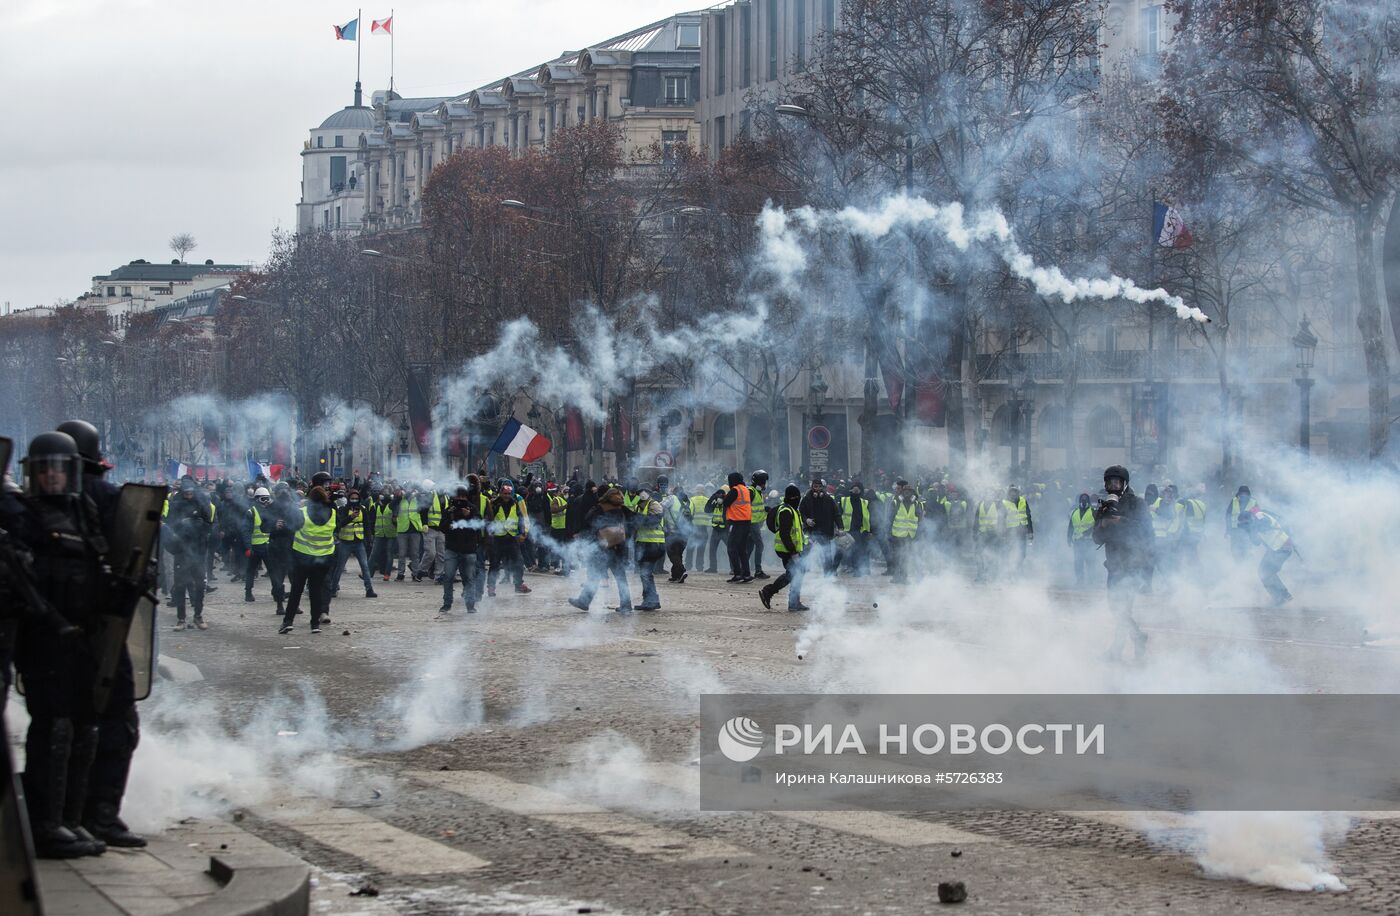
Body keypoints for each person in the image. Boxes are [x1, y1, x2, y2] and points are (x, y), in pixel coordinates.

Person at [11, 432, 109, 857]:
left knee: (84, 726)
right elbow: (19, 581)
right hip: (44, 638)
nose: (52, 475)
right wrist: (51, 622)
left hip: (83, 636)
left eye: (59, 467)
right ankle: (45, 824)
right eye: (44, 467)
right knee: (53, 729)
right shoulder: (22, 516)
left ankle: (72, 817)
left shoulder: (82, 510)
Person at [54, 420, 148, 849]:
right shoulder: (108, 499)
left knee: (58, 725)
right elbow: (137, 564)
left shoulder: (28, 505)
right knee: (115, 721)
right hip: (101, 631)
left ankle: (60, 814)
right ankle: (100, 813)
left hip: (47, 636)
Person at [1092, 465, 1153, 663]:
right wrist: (1103, 523)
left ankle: (1123, 647)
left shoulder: (1137, 504)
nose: (1113, 486)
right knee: (1116, 608)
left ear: (1125, 483)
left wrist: (1120, 521)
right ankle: (1131, 642)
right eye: (1110, 482)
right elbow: (1096, 538)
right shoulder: (1104, 507)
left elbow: (1146, 531)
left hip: (1134, 563)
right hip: (1114, 565)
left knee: (1122, 607)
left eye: (1117, 482)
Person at [278, 485, 338, 635]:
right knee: (316, 591)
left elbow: (291, 528)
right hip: (323, 558)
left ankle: (288, 622)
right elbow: (338, 529)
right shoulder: (333, 513)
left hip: (302, 558)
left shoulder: (302, 513)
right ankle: (314, 624)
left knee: (296, 590)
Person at [569, 486, 634, 614]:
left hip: (602, 548)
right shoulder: (622, 508)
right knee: (621, 577)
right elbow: (634, 519)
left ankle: (584, 601)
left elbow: (588, 521)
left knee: (594, 575)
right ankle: (626, 605)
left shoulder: (600, 508)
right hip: (618, 547)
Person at [164, 477, 213, 631]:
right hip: (182, 550)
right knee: (180, 585)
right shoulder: (175, 503)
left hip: (198, 550)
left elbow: (209, 525)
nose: (189, 495)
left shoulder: (202, 503)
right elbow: (170, 526)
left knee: (200, 585)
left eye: (191, 493)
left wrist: (198, 524)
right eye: (186, 493)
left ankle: (198, 615)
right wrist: (181, 525)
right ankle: (181, 619)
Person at [759, 485, 809, 612]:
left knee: (795, 573)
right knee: (795, 573)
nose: (797, 499)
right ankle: (769, 592)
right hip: (786, 549)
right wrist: (793, 552)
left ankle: (792, 602)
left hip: (791, 549)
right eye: (795, 497)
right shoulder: (786, 511)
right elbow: (784, 534)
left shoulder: (792, 509)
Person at [1237, 506, 1295, 606]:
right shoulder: (1253, 523)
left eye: (1246, 522)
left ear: (1250, 517)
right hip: (1275, 549)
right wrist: (1249, 530)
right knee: (1262, 572)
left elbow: (1266, 523)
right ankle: (1280, 597)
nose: (1246, 524)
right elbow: (1256, 542)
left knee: (1267, 572)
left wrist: (1253, 526)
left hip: (1283, 547)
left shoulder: (1260, 515)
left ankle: (1283, 596)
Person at [436, 486, 480, 616]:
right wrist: (450, 519)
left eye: (463, 497)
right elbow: (442, 526)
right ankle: (447, 604)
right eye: (458, 496)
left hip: (469, 549)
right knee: (448, 576)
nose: (460, 500)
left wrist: (469, 516)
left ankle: (470, 605)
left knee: (469, 578)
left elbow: (479, 526)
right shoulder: (450, 509)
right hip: (452, 549)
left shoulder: (473, 509)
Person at [487, 482, 531, 596]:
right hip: (497, 539)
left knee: (519, 562)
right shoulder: (494, 504)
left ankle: (518, 584)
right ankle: (491, 587)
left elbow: (521, 519)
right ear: (500, 493)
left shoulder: (515, 504)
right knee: (495, 564)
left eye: (508, 493)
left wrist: (522, 533)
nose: (506, 496)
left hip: (512, 538)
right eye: (504, 493)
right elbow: (488, 520)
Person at [332, 488, 377, 598]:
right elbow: (340, 524)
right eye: (352, 498)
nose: (354, 500)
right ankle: (333, 589)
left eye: (356, 498)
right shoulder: (343, 509)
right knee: (339, 567)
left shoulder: (363, 509)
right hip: (345, 542)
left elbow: (366, 525)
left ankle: (369, 589)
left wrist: (369, 539)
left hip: (359, 542)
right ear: (348, 499)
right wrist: (350, 517)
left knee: (365, 567)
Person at [633, 489, 666, 611]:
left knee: (646, 574)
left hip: (654, 545)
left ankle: (651, 600)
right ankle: (649, 600)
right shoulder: (638, 507)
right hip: (644, 545)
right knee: (645, 574)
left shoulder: (655, 505)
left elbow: (652, 522)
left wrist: (636, 518)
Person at [799, 478, 837, 575]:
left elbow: (836, 513)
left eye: (820, 487)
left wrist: (840, 527)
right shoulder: (806, 498)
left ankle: (828, 573)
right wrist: (806, 520)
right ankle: (801, 571)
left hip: (824, 530)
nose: (818, 489)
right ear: (812, 487)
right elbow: (801, 512)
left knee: (827, 553)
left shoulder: (828, 499)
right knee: (806, 551)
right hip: (810, 530)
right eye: (815, 487)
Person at [889, 479, 922, 584]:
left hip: (907, 534)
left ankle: (902, 577)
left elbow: (919, 517)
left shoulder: (912, 501)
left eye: (899, 488)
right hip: (900, 533)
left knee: (903, 556)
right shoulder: (898, 500)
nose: (897, 490)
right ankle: (899, 577)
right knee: (899, 556)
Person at [722, 472, 753, 583]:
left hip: (737, 523)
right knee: (742, 550)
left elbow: (725, 503)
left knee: (731, 548)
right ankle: (746, 574)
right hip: (746, 523)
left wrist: (722, 497)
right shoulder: (745, 489)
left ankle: (737, 573)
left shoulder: (735, 490)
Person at [243, 487, 273, 602]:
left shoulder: (270, 511)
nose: (266, 501)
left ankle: (277, 593)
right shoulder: (251, 512)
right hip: (255, 548)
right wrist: (248, 547)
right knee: (251, 570)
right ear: (257, 499)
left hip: (268, 546)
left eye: (267, 499)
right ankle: (248, 593)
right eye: (263, 499)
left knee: (273, 571)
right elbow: (246, 531)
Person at [837, 481, 872, 576]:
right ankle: (833, 570)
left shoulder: (865, 502)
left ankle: (859, 570)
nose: (855, 491)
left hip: (860, 530)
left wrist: (869, 531)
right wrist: (839, 528)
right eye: (854, 489)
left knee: (859, 551)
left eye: (858, 489)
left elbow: (868, 517)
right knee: (842, 551)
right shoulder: (844, 500)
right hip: (846, 530)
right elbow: (838, 515)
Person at [416, 481, 446, 583]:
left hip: (441, 529)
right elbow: (423, 510)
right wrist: (424, 524)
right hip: (430, 528)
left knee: (441, 554)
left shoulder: (446, 497)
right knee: (431, 553)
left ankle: (439, 576)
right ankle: (421, 570)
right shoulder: (430, 495)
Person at [663, 481, 692, 583]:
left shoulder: (672, 498)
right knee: (678, 553)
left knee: (672, 554)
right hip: (685, 534)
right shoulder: (689, 502)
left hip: (672, 532)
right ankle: (676, 575)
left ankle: (682, 571)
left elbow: (660, 507)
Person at [1002, 485, 1033, 574]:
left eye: (1015, 491)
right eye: (1012, 491)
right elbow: (1002, 519)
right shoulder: (1004, 503)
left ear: (1018, 492)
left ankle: (1017, 570)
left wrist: (1030, 532)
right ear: (1009, 493)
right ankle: (1009, 572)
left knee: (1022, 554)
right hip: (1010, 532)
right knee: (1009, 552)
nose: (1013, 493)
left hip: (1022, 532)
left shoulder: (1023, 501)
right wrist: (1003, 533)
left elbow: (1028, 517)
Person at [393, 487, 421, 582]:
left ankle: (415, 574)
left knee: (415, 554)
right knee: (402, 553)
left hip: (415, 529)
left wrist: (419, 493)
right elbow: (391, 506)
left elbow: (427, 504)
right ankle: (400, 574)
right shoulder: (400, 500)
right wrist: (398, 497)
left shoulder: (417, 499)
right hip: (403, 529)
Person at [1067, 493, 1096, 586]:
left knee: (1090, 562)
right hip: (1078, 542)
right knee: (1078, 562)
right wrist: (1068, 537)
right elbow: (1070, 526)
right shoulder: (1075, 512)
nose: (1083, 502)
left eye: (1085, 500)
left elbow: (1098, 525)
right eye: (1082, 500)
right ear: (1079, 502)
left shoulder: (1093, 512)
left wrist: (1089, 531)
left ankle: (1091, 581)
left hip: (1089, 541)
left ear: (1089, 502)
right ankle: (1080, 580)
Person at [369, 490, 397, 581]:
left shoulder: (392, 507)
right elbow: (372, 521)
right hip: (379, 533)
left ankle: (387, 574)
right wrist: (372, 533)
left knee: (389, 554)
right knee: (374, 554)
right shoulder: (375, 506)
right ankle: (368, 573)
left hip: (390, 534)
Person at [747, 470, 770, 579]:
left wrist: (765, 509)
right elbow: (746, 507)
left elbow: (756, 508)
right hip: (752, 523)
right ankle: (758, 570)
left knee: (750, 547)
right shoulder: (751, 491)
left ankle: (743, 569)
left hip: (755, 524)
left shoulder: (757, 492)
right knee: (759, 545)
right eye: (763, 482)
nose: (764, 484)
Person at [1226, 485, 1258, 563]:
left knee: (1246, 549)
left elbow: (1257, 516)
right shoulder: (1234, 501)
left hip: (1247, 531)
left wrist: (1254, 531)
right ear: (1239, 494)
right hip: (1235, 530)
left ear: (1248, 494)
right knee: (1235, 549)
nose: (1243, 495)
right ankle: (1239, 564)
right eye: (1242, 494)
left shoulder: (1253, 502)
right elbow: (1228, 515)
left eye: (1245, 494)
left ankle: (1245, 565)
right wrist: (1228, 529)